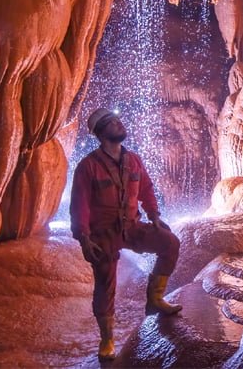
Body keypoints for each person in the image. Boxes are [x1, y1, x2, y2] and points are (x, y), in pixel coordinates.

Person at [70, 108, 183, 361]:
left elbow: (146, 188)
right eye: (113, 122)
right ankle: (107, 339)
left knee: (169, 243)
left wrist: (154, 215)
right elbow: (80, 205)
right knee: (105, 283)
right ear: (101, 133)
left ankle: (155, 300)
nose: (119, 123)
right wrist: (84, 238)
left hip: (132, 227)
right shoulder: (88, 167)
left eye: (119, 120)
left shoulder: (133, 160)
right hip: (103, 234)